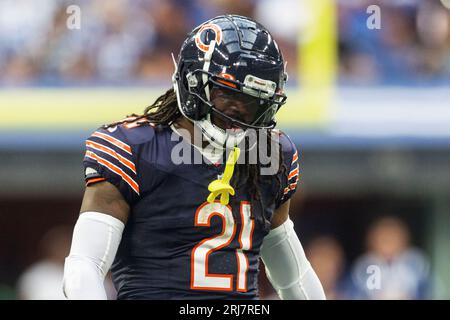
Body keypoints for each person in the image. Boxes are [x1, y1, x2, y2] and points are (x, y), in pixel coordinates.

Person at [63, 14, 325, 300]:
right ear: (193, 83)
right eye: (229, 95)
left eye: (254, 103)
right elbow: (84, 266)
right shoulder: (134, 148)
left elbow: (294, 277)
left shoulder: (270, 155)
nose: (240, 113)